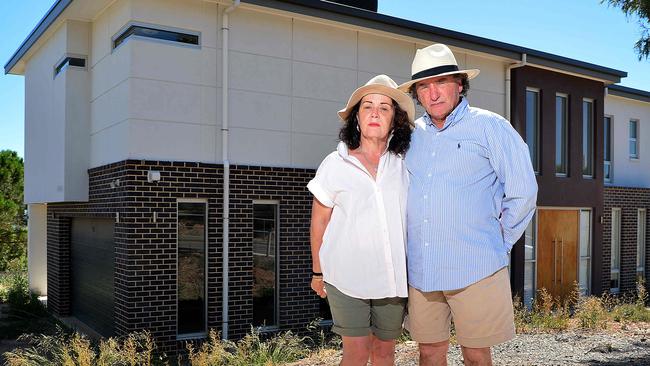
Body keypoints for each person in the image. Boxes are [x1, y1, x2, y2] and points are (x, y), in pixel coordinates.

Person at [398, 43, 538, 366]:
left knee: (476, 355)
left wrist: (497, 241)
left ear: (459, 84)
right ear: (417, 93)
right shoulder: (411, 136)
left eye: (441, 82)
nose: (433, 94)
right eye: (424, 86)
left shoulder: (491, 127)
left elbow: (523, 191)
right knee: (429, 353)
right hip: (424, 271)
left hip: (475, 269)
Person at [307, 74, 414, 366]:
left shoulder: (406, 162)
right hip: (346, 277)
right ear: (357, 118)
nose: (376, 113)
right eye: (368, 106)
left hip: (392, 280)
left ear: (395, 120)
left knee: (384, 352)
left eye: (385, 107)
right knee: (355, 353)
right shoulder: (335, 163)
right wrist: (318, 273)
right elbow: (319, 223)